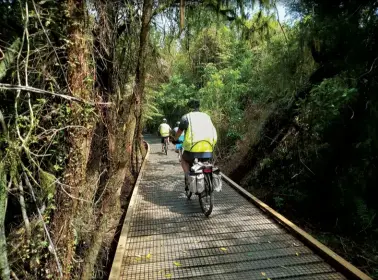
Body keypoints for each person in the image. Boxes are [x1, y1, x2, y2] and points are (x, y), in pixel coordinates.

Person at [174, 99, 217, 177]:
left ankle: (187, 176)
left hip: (191, 151)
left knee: (183, 159)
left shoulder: (186, 117)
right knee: (208, 162)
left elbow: (179, 132)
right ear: (199, 106)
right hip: (208, 149)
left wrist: (175, 139)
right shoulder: (207, 116)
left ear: (189, 108)